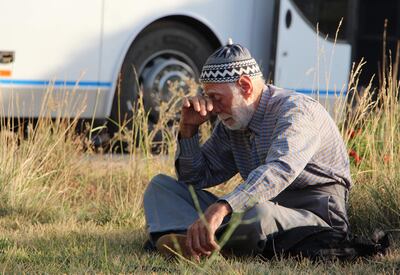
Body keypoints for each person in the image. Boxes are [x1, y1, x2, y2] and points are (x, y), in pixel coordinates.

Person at [143, 40, 352, 260]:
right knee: (160, 188)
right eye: (208, 98)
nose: (212, 108)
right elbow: (195, 178)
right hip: (261, 206)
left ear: (245, 86)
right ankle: (206, 242)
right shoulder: (234, 122)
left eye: (216, 98)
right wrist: (188, 129)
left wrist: (222, 207)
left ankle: (186, 241)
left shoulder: (296, 111)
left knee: (256, 214)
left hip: (313, 215)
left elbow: (280, 170)